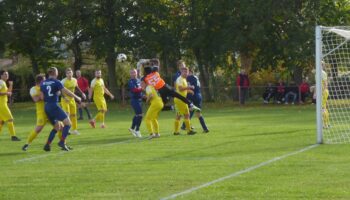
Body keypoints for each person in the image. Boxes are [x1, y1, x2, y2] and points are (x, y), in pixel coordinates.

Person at [40, 67, 81, 151]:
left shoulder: (43, 83)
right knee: (68, 124)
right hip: (54, 106)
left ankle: (47, 145)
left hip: (47, 107)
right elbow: (66, 91)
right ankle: (62, 142)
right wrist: (77, 97)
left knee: (56, 127)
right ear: (55, 73)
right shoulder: (56, 82)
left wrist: (53, 94)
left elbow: (42, 97)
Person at [22, 74, 63, 151]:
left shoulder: (45, 87)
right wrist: (44, 96)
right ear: (40, 81)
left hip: (51, 110)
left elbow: (56, 93)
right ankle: (27, 144)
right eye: (44, 80)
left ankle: (63, 144)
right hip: (42, 112)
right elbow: (36, 99)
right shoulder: (33, 89)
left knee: (60, 127)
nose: (46, 81)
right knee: (38, 129)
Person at [181, 68, 209, 133]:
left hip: (192, 96)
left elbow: (188, 87)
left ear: (190, 72)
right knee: (197, 113)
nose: (186, 74)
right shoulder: (196, 77)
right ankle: (205, 128)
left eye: (187, 72)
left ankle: (184, 125)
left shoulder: (189, 77)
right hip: (199, 96)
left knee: (189, 111)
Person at [61, 68, 86, 135]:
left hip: (72, 99)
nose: (69, 74)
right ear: (66, 74)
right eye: (68, 73)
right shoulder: (63, 81)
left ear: (72, 73)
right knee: (67, 114)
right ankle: (66, 129)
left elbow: (77, 87)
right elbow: (60, 91)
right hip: (65, 100)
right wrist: (64, 97)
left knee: (74, 115)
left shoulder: (74, 80)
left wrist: (82, 93)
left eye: (70, 72)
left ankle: (74, 130)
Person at [173, 67, 196, 136]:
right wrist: (189, 87)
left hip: (179, 99)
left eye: (187, 72)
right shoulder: (180, 79)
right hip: (180, 100)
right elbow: (180, 89)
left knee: (178, 115)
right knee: (187, 114)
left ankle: (176, 132)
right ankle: (189, 131)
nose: (186, 73)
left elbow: (182, 89)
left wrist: (189, 91)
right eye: (184, 72)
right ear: (181, 72)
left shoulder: (184, 79)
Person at [0, 70, 20, 141]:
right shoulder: (1, 82)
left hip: (2, 104)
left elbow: (8, 92)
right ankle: (13, 136)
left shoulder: (3, 83)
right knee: (10, 119)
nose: (7, 75)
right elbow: (6, 93)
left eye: (7, 74)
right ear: (1, 75)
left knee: (1, 121)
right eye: (5, 74)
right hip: (1, 105)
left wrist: (11, 85)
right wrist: (6, 93)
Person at [128, 69, 142, 138]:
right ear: (130, 74)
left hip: (139, 99)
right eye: (132, 73)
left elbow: (139, 90)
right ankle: (137, 130)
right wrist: (142, 88)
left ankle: (132, 128)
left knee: (137, 115)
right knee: (140, 115)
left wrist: (143, 95)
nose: (133, 74)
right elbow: (134, 90)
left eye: (134, 72)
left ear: (136, 73)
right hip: (134, 100)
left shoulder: (139, 80)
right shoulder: (130, 81)